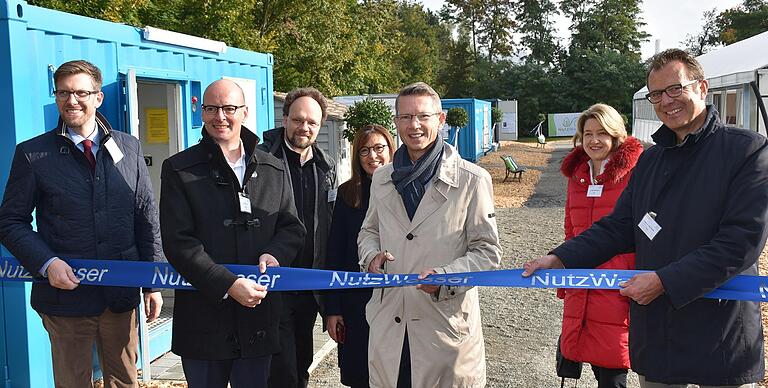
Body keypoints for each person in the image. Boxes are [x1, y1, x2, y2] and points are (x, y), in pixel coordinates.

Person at [524, 49, 768, 388]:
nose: (666, 101)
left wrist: (665, 281)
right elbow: (620, 226)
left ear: (702, 88)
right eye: (656, 94)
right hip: (658, 330)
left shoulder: (747, 150)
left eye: (675, 89)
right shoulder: (651, 160)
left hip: (720, 329)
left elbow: (740, 242)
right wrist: (561, 257)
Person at [0, 59, 163, 388]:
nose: (71, 100)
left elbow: (146, 215)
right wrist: (47, 263)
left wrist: (153, 280)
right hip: (65, 297)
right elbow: (10, 221)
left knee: (124, 381)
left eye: (80, 93)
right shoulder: (34, 154)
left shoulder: (128, 147)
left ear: (98, 97)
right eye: (63, 93)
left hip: (119, 295)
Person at [159, 79, 305, 388]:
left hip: (258, 318)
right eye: (211, 108)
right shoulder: (179, 169)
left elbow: (291, 227)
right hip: (203, 320)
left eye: (229, 108)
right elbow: (178, 242)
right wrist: (227, 284)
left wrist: (275, 253)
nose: (220, 117)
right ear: (201, 112)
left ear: (245, 112)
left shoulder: (273, 168)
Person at [358, 82, 502, 388]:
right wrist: (371, 256)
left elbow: (488, 252)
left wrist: (446, 275)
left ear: (441, 119)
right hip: (392, 321)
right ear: (396, 122)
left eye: (423, 116)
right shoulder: (382, 178)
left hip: (443, 325)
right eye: (406, 117)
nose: (414, 125)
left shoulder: (471, 180)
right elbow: (369, 231)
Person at [557, 103, 643, 388]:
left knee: (612, 365)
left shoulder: (634, 174)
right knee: (581, 351)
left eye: (602, 133)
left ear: (616, 135)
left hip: (616, 282)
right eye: (588, 133)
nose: (594, 140)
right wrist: (563, 274)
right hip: (581, 279)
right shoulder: (577, 176)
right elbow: (571, 228)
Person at [260, 87, 336, 388]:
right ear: (285, 118)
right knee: (281, 369)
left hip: (309, 282)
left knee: (302, 361)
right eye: (298, 119)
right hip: (273, 281)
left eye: (312, 123)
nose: (304, 127)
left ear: (319, 126)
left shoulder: (326, 167)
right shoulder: (261, 159)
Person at [324, 124, 396, 388]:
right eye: (364, 150)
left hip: (397, 300)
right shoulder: (347, 194)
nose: (372, 156)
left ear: (391, 150)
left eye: (379, 148)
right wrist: (332, 309)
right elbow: (335, 251)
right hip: (355, 303)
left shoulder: (404, 190)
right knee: (361, 375)